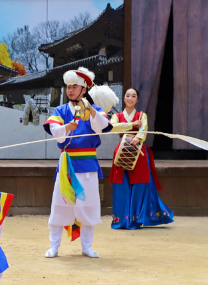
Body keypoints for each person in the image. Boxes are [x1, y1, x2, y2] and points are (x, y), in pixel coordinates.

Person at [42, 67, 112, 258]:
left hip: (88, 164)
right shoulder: (61, 110)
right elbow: (55, 132)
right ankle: (54, 246)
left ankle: (86, 247)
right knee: (59, 205)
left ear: (83, 89)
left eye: (74, 86)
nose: (70, 90)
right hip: (67, 164)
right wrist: (67, 127)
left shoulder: (95, 110)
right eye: (68, 87)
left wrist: (90, 110)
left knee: (87, 206)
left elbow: (102, 127)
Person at [109, 88, 173, 229]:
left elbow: (144, 130)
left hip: (138, 152)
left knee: (140, 185)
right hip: (122, 151)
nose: (130, 98)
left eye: (133, 96)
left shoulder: (142, 115)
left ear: (137, 100)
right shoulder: (117, 115)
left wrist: (138, 138)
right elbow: (112, 127)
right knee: (122, 185)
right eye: (128, 96)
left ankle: (136, 219)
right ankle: (122, 220)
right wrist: (132, 125)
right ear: (124, 98)